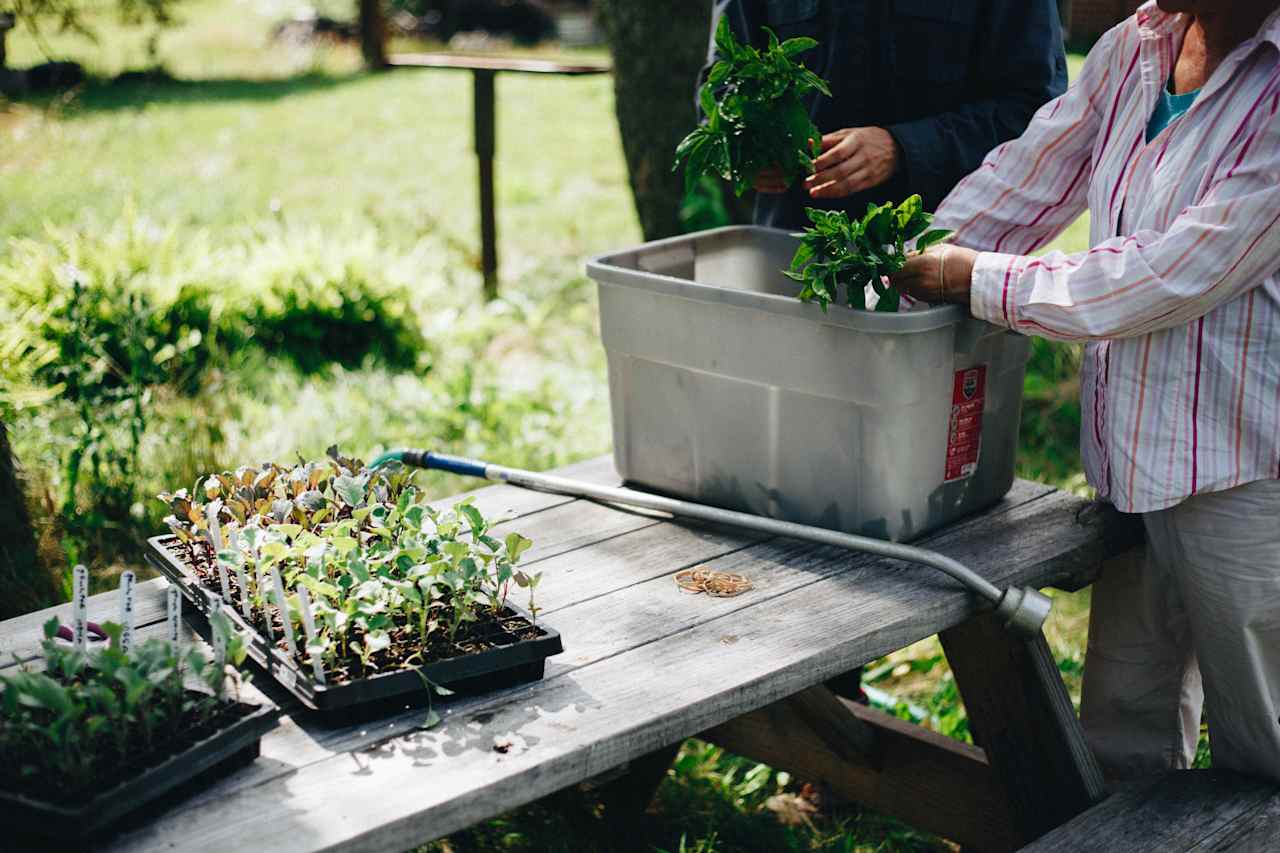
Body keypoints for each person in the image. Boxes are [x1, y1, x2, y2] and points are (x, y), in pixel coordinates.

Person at [892, 0, 1280, 782]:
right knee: (1125, 732)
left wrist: (972, 279)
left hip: (1242, 468)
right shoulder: (1135, 45)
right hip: (1130, 460)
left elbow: (1167, 275)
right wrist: (898, 263)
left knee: (1266, 745)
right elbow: (1023, 182)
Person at [698, 0, 1069, 230]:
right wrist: (746, 147)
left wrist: (903, 149)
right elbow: (721, 86)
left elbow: (1034, 111)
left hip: (945, 264)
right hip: (793, 262)